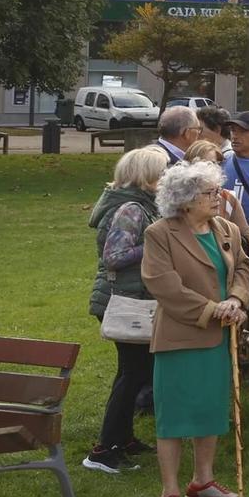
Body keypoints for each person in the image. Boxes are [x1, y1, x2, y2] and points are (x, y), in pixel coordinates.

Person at [140, 161, 249, 497]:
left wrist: (235, 300)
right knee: (173, 418)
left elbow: (244, 268)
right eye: (209, 193)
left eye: (217, 190)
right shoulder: (160, 234)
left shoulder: (226, 229)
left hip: (220, 338)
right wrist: (211, 309)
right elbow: (163, 284)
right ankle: (170, 491)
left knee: (210, 411)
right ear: (185, 200)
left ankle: (201, 480)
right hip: (180, 337)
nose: (219, 198)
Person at [82, 146, 168, 474]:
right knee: (132, 375)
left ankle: (123, 438)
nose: (166, 177)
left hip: (133, 298)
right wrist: (159, 245)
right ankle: (104, 450)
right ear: (146, 176)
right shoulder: (131, 209)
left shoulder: (140, 205)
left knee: (134, 373)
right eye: (162, 172)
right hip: (124, 302)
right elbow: (114, 256)